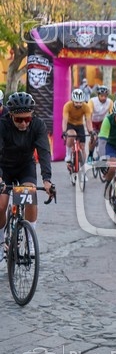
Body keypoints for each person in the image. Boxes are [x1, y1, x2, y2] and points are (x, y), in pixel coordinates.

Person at [0, 92, 54, 246]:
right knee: (1, 206)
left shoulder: (38, 125)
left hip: (25, 166)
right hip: (4, 167)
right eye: (19, 119)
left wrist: (47, 179)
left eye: (27, 119)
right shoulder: (2, 125)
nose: (24, 123)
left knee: (30, 195)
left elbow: (44, 152)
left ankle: (30, 242)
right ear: (11, 115)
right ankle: (1, 242)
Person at [62, 88, 93, 164]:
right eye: (76, 102)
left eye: (80, 102)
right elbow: (65, 120)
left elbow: (88, 121)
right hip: (70, 124)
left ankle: (83, 166)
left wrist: (91, 131)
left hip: (79, 125)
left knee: (82, 147)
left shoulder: (86, 107)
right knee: (72, 134)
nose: (78, 104)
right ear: (72, 100)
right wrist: (64, 131)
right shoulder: (67, 106)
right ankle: (68, 154)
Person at [87, 85, 113, 163]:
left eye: (105, 96)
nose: (104, 98)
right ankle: (90, 155)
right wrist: (90, 129)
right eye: (102, 96)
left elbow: (112, 115)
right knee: (94, 138)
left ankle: (101, 154)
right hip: (92, 121)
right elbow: (89, 115)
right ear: (98, 95)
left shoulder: (110, 102)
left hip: (102, 122)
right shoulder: (92, 101)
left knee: (104, 138)